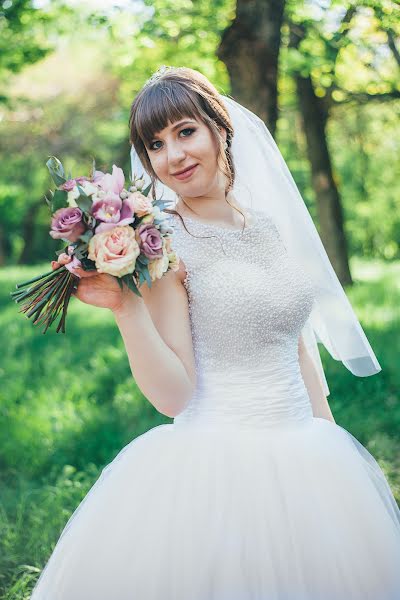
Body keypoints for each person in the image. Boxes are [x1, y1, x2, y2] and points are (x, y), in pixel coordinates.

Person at [31, 66, 400, 600]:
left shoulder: (265, 226)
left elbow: (294, 342)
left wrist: (331, 441)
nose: (173, 156)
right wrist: (125, 308)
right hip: (218, 462)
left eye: (185, 132)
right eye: (155, 144)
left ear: (220, 129)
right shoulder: (162, 242)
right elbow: (173, 395)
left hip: (308, 454)